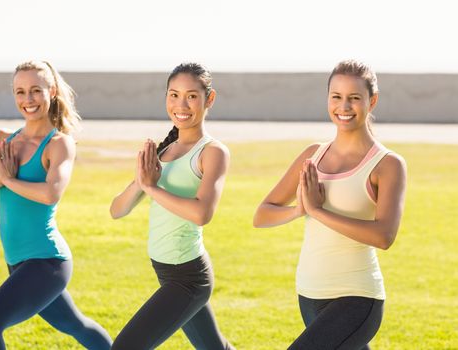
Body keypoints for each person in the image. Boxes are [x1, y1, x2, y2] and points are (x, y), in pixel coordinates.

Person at [0, 60, 112, 350]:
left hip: (48, 262)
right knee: (76, 325)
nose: (28, 99)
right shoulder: (1, 140)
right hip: (18, 262)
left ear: (52, 93)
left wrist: (9, 181)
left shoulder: (59, 144)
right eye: (20, 92)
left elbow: (51, 193)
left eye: (36, 90)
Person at [253, 59, 407, 349]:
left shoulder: (387, 164)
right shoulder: (313, 155)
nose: (344, 106)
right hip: (310, 294)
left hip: (357, 297)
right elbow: (262, 214)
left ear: (371, 101)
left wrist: (318, 211)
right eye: (336, 97)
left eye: (354, 98)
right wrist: (299, 210)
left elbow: (384, 236)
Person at [110, 62, 235, 350]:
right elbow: (117, 210)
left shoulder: (212, 151)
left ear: (209, 99)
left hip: (188, 277)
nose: (181, 104)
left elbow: (202, 213)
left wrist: (152, 187)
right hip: (166, 271)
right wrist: (141, 182)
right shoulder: (164, 149)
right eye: (173, 95)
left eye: (191, 96)